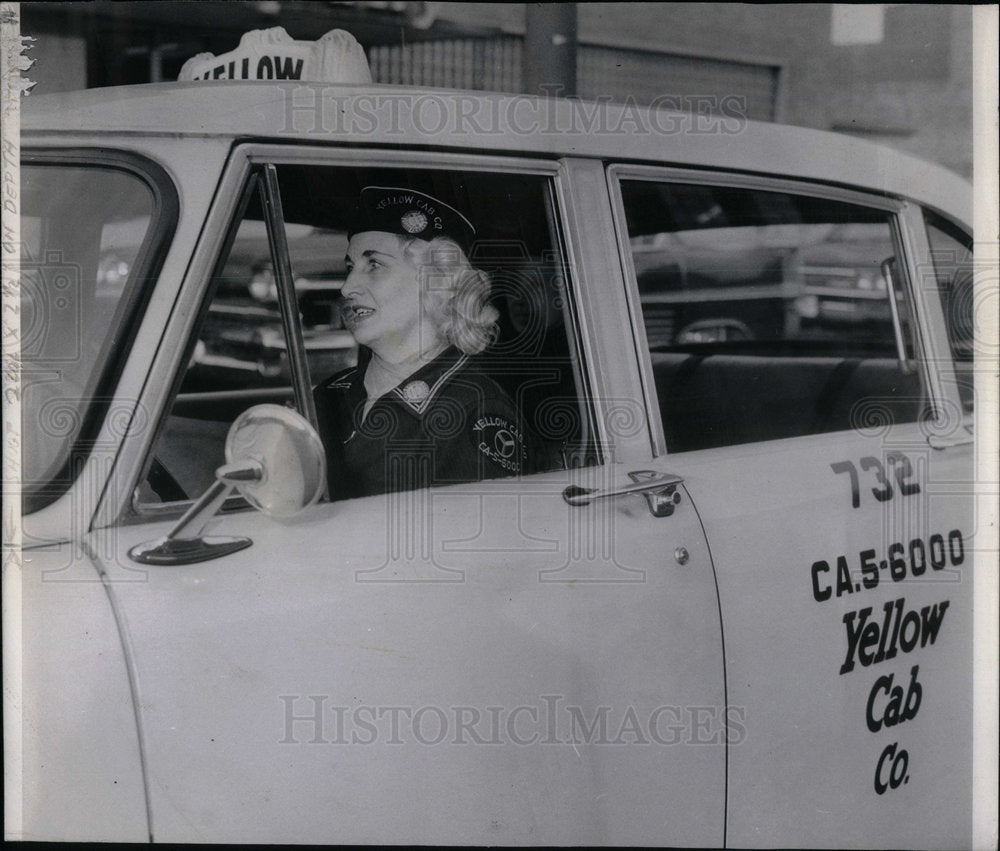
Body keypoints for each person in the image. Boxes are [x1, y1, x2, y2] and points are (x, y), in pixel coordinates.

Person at [314, 186, 532, 500]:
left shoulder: (474, 414)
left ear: (436, 280)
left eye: (374, 265)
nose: (348, 287)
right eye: (350, 267)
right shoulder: (327, 395)